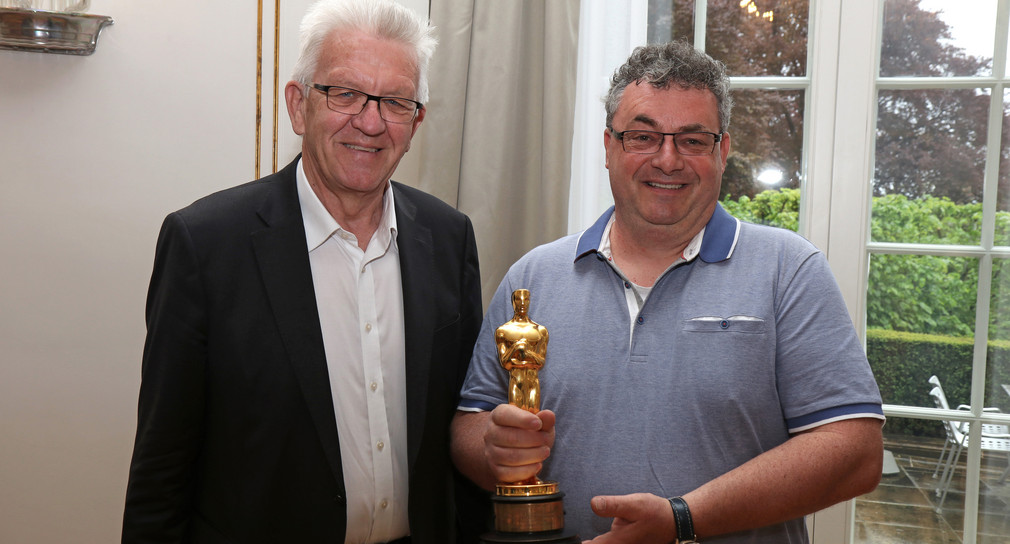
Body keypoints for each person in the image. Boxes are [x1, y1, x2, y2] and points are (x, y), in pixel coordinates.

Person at [450, 41, 885, 543]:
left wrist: (682, 518)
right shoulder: (533, 276)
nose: (668, 159)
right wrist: (493, 450)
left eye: (694, 140)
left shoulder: (789, 270)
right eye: (642, 137)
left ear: (722, 151)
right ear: (609, 148)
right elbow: (468, 428)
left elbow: (854, 453)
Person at [122, 1, 484, 542]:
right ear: (298, 105)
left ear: (416, 122)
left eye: (395, 102)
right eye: (345, 93)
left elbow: (460, 429)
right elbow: (162, 467)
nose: (370, 121)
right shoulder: (205, 245)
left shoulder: (448, 237)